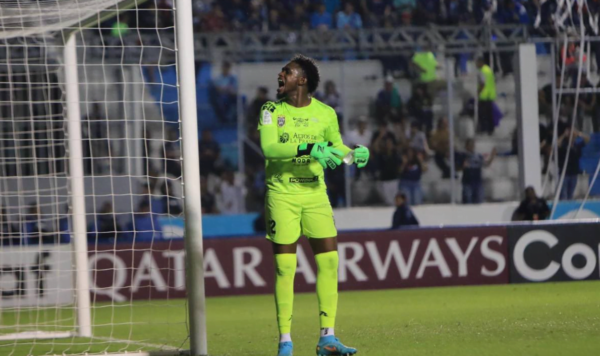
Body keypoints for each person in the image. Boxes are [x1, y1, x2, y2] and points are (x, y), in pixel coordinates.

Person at [258, 55, 368, 356]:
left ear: (302, 80)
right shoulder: (270, 110)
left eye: (288, 71)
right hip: (282, 194)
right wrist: (309, 147)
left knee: (330, 262)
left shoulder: (326, 113)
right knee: (285, 268)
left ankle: (327, 338)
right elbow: (269, 148)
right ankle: (285, 342)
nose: (281, 74)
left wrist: (354, 153)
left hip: (315, 194)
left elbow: (336, 148)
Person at [460, 139, 496, 204]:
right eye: (470, 145)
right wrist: (462, 165)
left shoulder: (478, 156)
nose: (471, 147)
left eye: (472, 145)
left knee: (479, 202)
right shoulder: (462, 155)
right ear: (466, 146)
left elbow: (486, 164)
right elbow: (458, 167)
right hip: (467, 182)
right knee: (468, 202)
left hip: (478, 182)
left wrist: (492, 156)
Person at [558, 128, 589, 200]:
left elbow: (587, 139)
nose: (573, 138)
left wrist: (579, 134)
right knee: (563, 194)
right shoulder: (564, 145)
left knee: (570, 193)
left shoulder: (576, 146)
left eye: (574, 137)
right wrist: (563, 135)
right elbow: (557, 143)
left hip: (574, 172)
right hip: (564, 173)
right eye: (571, 136)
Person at [476, 57, 497, 135]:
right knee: (489, 114)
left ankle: (484, 129)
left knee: (483, 115)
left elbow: (482, 83)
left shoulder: (482, 71)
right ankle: (491, 130)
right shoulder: (488, 70)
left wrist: (478, 92)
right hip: (490, 95)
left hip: (484, 96)